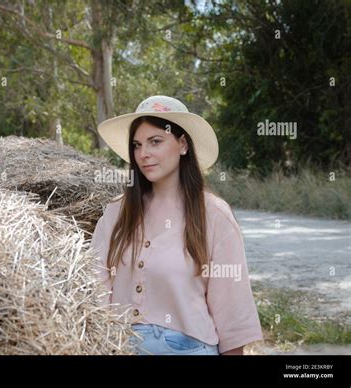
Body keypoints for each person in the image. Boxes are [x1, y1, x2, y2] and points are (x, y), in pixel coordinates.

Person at [90, 95, 263, 355]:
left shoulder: (213, 214)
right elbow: (95, 287)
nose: (143, 154)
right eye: (137, 145)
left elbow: (232, 308)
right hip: (119, 346)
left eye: (155, 142)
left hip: (188, 348)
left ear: (183, 144)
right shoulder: (117, 211)